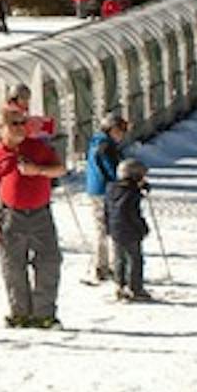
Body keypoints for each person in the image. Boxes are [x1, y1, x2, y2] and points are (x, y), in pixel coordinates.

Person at [0, 114, 67, 328]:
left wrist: (37, 170)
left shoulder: (38, 148)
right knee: (13, 266)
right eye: (15, 124)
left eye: (23, 124)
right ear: (2, 128)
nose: (21, 128)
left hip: (40, 213)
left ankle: (44, 313)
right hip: (11, 215)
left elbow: (60, 169)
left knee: (49, 262)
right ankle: (20, 313)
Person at [84, 115, 129, 283]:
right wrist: (124, 181)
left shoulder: (99, 143)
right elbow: (112, 169)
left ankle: (104, 264)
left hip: (98, 189)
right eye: (120, 132)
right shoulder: (105, 146)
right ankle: (102, 265)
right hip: (103, 190)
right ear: (113, 130)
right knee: (103, 228)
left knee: (102, 227)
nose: (122, 136)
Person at [105, 157, 153, 301]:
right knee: (135, 259)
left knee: (120, 258)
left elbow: (107, 209)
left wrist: (108, 226)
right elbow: (132, 213)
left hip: (115, 228)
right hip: (130, 230)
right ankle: (135, 287)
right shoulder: (131, 193)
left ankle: (119, 285)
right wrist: (142, 227)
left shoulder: (112, 188)